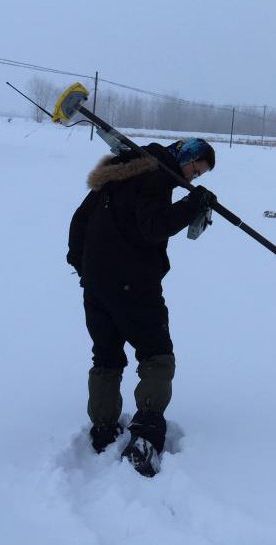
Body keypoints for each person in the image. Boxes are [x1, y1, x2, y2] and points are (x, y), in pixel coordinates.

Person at [67, 137, 216, 477]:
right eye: (196, 169)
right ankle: (146, 433)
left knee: (105, 355)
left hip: (96, 285)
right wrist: (193, 205)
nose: (194, 178)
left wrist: (83, 267)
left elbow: (79, 221)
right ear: (187, 156)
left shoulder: (119, 172)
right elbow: (153, 226)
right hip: (134, 284)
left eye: (200, 176)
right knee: (156, 353)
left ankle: (103, 430)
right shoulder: (156, 177)